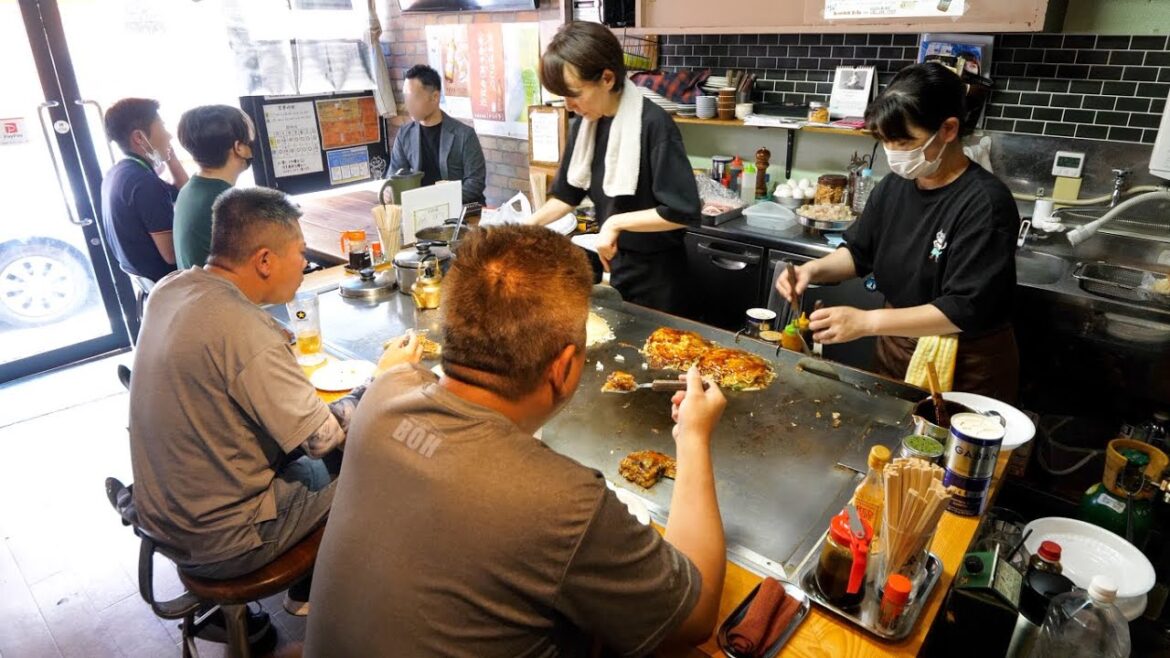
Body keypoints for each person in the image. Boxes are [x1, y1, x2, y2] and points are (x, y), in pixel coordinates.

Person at [304, 224, 727, 657]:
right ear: (563, 367)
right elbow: (694, 618)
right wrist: (692, 436)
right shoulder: (565, 502)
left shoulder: (383, 394)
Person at [128, 187, 421, 622]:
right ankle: (365, 612)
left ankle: (311, 584)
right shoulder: (246, 331)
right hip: (226, 539)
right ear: (264, 260)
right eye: (300, 253)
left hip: (165, 521)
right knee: (385, 467)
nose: (305, 264)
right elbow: (322, 438)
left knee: (315, 458)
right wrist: (383, 374)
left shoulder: (173, 288)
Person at [777, 63, 1020, 401]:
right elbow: (859, 252)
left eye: (905, 141)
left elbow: (964, 308)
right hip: (897, 348)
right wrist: (811, 270)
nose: (894, 153)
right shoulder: (895, 185)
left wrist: (865, 322)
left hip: (964, 365)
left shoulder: (985, 203)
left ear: (949, 129)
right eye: (887, 142)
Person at [525, 21, 701, 315]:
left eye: (574, 94)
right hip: (617, 265)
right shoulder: (586, 124)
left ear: (607, 78)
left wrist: (614, 223)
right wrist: (524, 227)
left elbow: (681, 211)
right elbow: (567, 195)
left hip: (659, 277)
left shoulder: (654, 125)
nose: (568, 106)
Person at [100, 97, 189, 284]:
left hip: (146, 283)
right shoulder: (144, 183)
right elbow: (172, 255)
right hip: (166, 286)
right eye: (162, 127)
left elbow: (183, 191)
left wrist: (169, 156)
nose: (169, 136)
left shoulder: (120, 172)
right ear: (139, 137)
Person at [388, 64, 486, 205]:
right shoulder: (405, 134)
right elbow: (395, 175)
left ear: (434, 97)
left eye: (413, 98)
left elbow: (475, 182)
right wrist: (389, 190)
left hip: (460, 211)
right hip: (420, 211)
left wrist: (440, 202)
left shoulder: (464, 135)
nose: (407, 104)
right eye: (405, 97)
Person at [173, 104, 255, 269]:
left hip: (199, 291)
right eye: (250, 138)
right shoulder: (230, 204)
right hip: (223, 293)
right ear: (239, 148)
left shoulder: (188, 190)